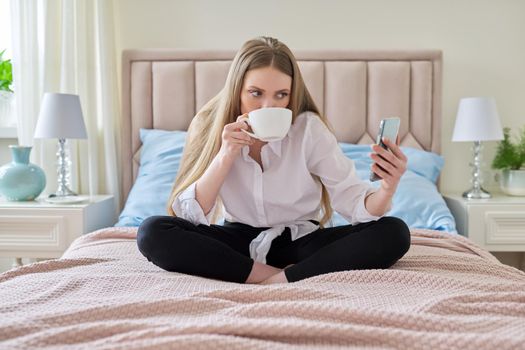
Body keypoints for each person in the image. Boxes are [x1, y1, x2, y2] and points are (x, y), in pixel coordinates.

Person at [137, 36, 410, 284]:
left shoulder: (308, 130)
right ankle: (271, 277)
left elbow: (353, 203)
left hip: (301, 241)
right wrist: (226, 153)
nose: (269, 106)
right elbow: (189, 217)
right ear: (237, 90)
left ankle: (284, 278)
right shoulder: (210, 126)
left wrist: (387, 187)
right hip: (237, 242)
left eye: (281, 95)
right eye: (256, 93)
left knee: (394, 232)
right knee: (152, 232)